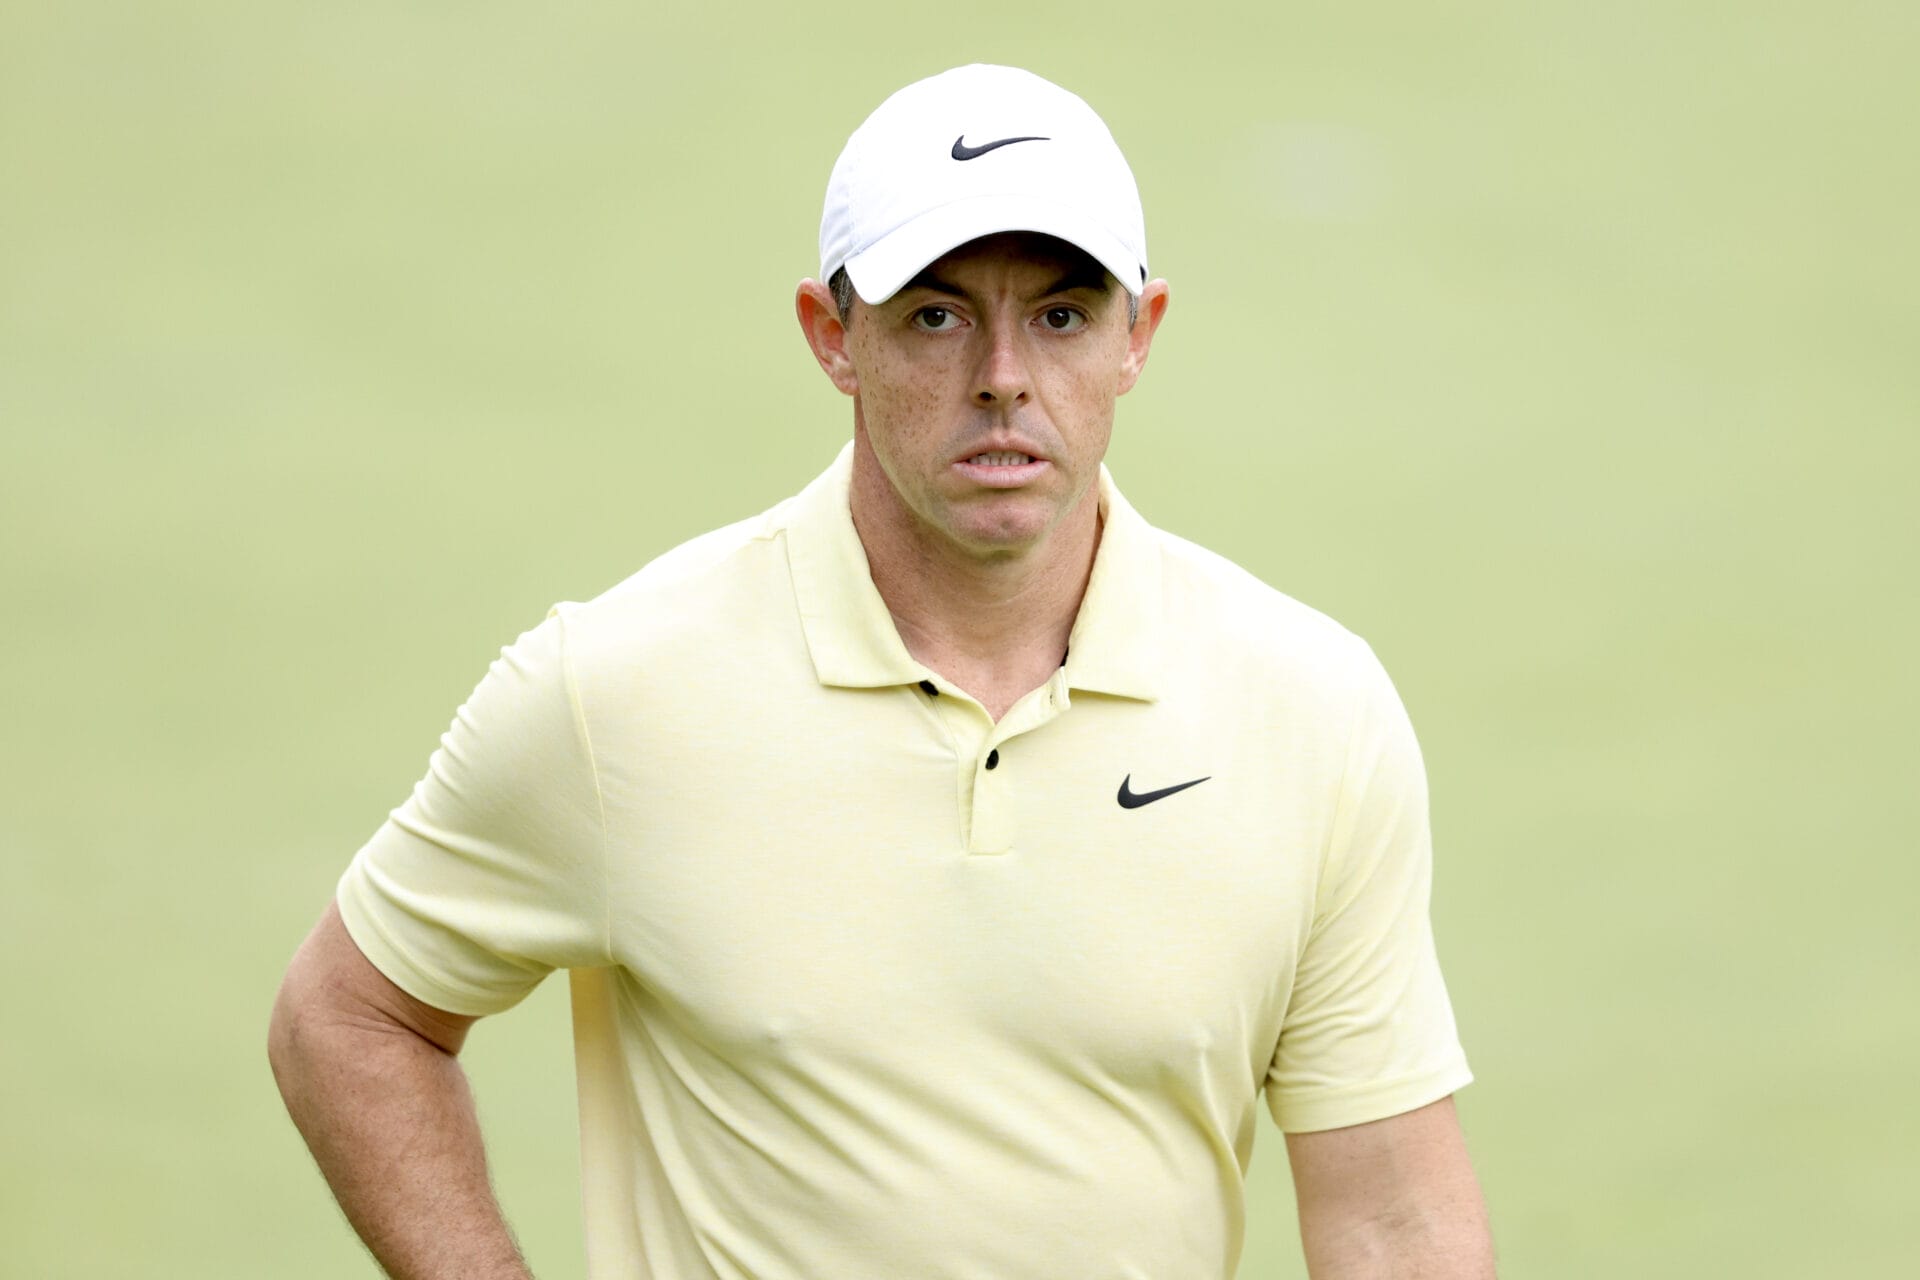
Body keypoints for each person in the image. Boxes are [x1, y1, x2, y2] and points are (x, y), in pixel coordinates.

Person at [269, 63, 1494, 1280]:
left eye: (1062, 315)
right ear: (832, 336)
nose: (1003, 375)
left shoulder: (1314, 710)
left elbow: (1395, 1219)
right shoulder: (613, 690)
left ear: (1139, 335)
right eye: (937, 316)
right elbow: (347, 1016)